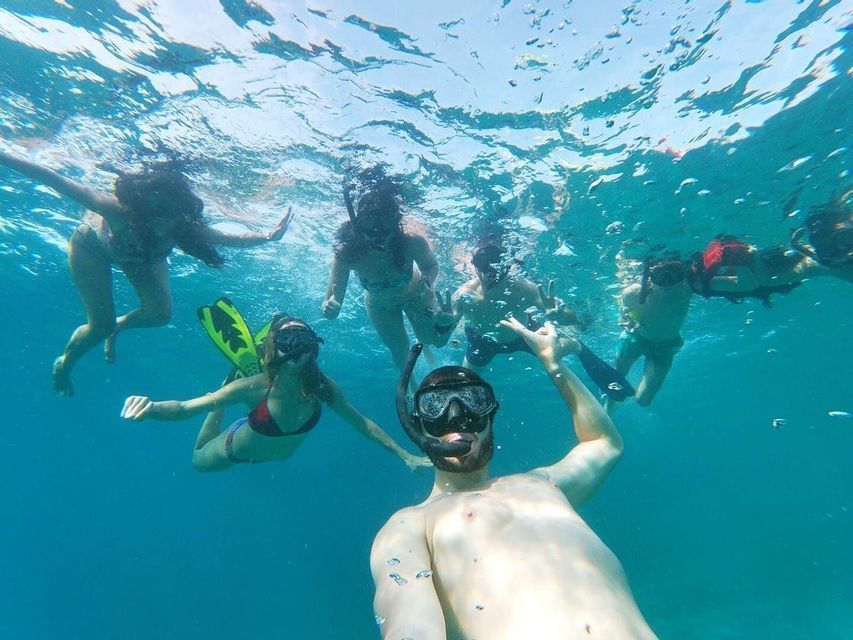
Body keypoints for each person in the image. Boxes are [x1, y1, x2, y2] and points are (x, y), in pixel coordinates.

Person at [370, 319, 657, 639]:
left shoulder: (544, 482)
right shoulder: (411, 524)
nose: (456, 416)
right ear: (417, 424)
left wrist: (553, 363)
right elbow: (408, 622)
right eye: (434, 405)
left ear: (491, 414)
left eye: (474, 401)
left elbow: (604, 443)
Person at [0, 148, 292, 396]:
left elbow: (227, 238)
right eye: (157, 219)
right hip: (92, 249)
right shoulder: (117, 210)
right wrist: (6, 157)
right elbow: (53, 178)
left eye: (172, 219)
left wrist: (268, 236)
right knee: (99, 325)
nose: (164, 226)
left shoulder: (182, 226)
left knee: (159, 314)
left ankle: (116, 328)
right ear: (144, 210)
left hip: (141, 260)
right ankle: (65, 363)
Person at [121, 314, 427, 471]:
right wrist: (152, 407)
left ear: (312, 345)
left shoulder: (322, 386)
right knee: (197, 460)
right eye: (286, 339)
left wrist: (405, 455)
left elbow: (361, 423)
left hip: (273, 453)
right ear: (272, 346)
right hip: (233, 451)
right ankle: (223, 394)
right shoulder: (254, 387)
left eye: (301, 339)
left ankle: (223, 393)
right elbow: (187, 407)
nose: (295, 347)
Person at [434, 243, 634, 401]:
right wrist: (442, 325)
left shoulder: (522, 287)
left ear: (506, 264)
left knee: (571, 345)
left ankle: (587, 356)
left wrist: (558, 315)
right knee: (463, 384)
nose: (489, 270)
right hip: (482, 342)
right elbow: (441, 339)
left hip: (525, 335)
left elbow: (571, 319)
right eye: (482, 262)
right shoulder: (464, 295)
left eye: (494, 262)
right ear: (474, 265)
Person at [321, 169, 443, 372]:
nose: (377, 233)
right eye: (369, 223)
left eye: (385, 223)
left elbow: (431, 266)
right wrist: (330, 308)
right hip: (381, 307)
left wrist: (428, 282)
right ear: (358, 224)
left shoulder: (412, 242)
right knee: (399, 350)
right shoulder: (347, 254)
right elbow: (332, 306)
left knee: (429, 339)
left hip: (416, 296)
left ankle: (428, 351)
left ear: (395, 222)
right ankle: (410, 387)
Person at [687, 235, 805, 305]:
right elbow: (751, 284)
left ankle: (800, 248)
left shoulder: (703, 279)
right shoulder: (702, 282)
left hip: (764, 276)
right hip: (764, 278)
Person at [790, 195, 853, 283]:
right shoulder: (829, 262)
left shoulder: (829, 262)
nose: (841, 248)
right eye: (826, 247)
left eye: (847, 237)